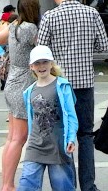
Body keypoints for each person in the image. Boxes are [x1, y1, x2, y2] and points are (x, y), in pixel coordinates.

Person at [37, 0, 108, 191]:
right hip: (85, 82)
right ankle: (89, 185)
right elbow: (103, 45)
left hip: (59, 85)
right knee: (85, 134)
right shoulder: (92, 13)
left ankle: (68, 184)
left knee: (62, 133)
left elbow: (42, 51)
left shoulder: (50, 16)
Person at [0, 0, 41, 191]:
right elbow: (45, 47)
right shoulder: (30, 29)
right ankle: (8, 185)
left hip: (12, 81)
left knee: (11, 137)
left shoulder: (15, 26)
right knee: (19, 138)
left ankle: (5, 183)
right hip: (24, 83)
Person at [18, 45, 78, 191]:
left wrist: (70, 138)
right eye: (37, 63)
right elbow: (33, 119)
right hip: (35, 145)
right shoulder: (29, 91)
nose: (41, 66)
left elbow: (71, 115)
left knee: (62, 186)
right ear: (31, 66)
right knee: (26, 184)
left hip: (57, 145)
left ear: (51, 63)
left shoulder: (62, 85)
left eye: (45, 62)